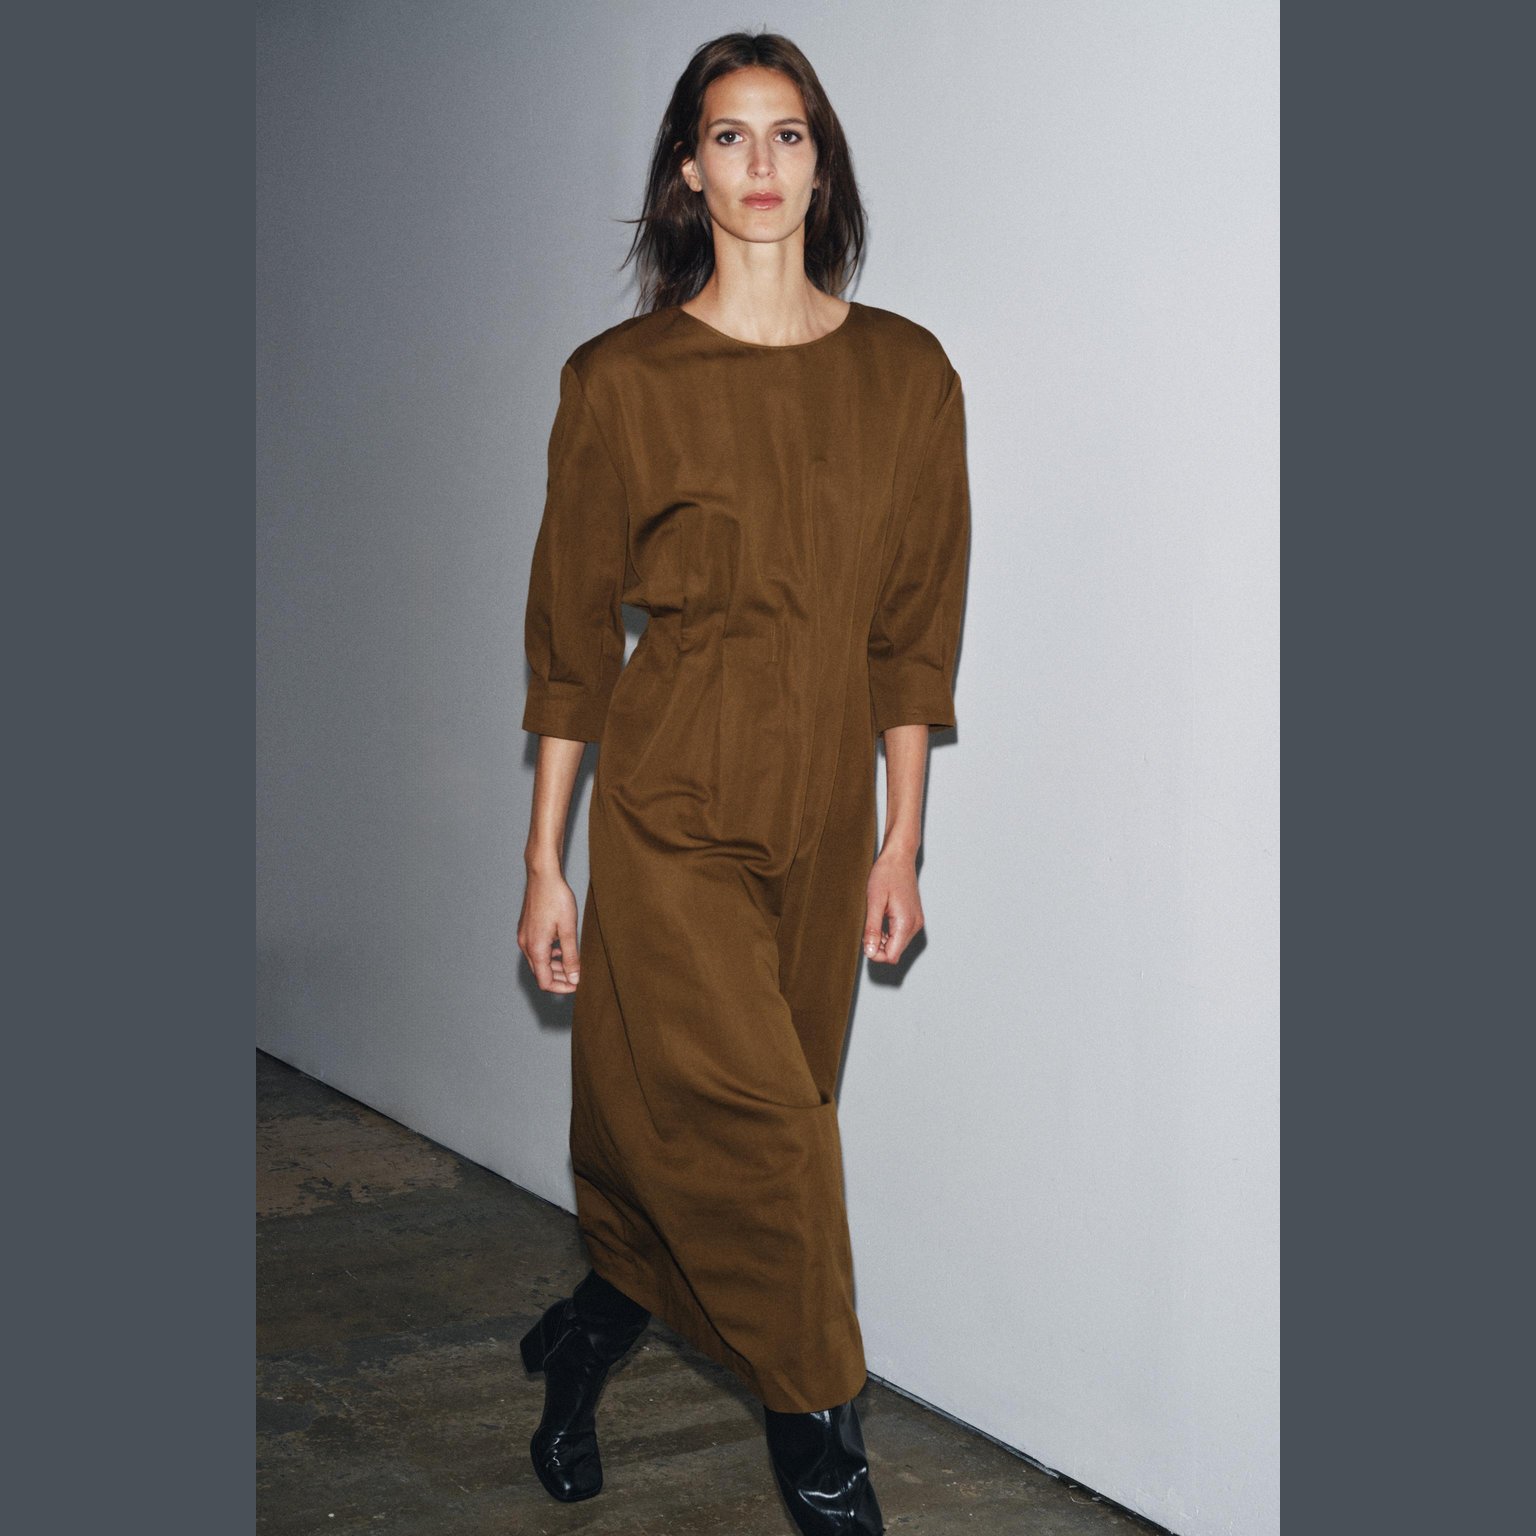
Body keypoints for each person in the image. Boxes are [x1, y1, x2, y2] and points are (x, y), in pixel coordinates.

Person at [515, 30, 970, 1536]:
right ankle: (830, 1471)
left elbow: (911, 639)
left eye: (787, 135)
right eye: (729, 136)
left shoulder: (908, 375)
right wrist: (546, 862)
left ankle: (583, 1341)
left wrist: (901, 840)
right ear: (686, 172)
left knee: (741, 1142)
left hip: (825, 818)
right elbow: (573, 643)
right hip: (674, 810)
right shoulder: (620, 382)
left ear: (821, 166)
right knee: (774, 1151)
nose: (760, 164)